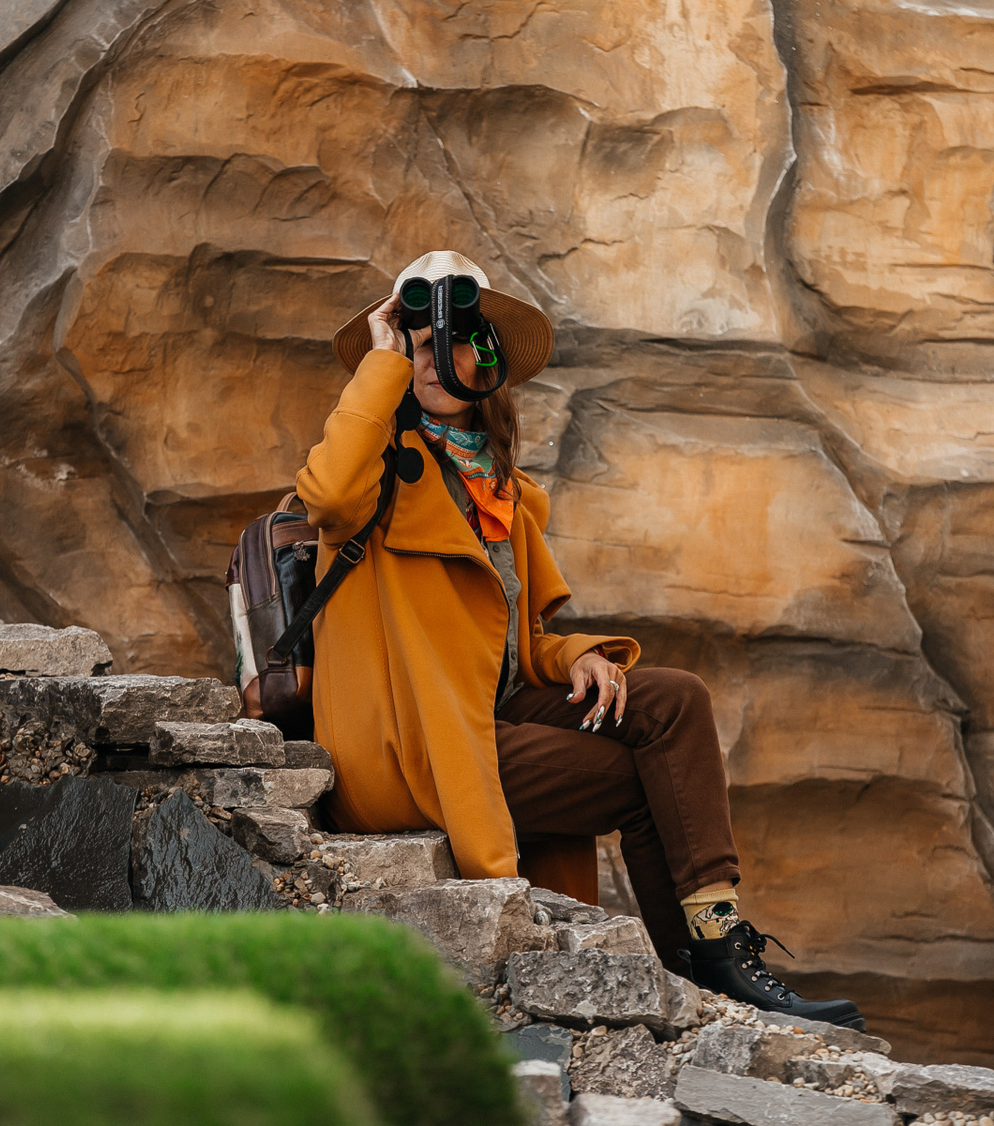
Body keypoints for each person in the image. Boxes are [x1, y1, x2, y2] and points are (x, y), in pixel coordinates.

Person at [296, 250, 864, 1030]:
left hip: (484, 719)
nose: (436, 361)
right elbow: (325, 495)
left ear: (487, 358)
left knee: (673, 701)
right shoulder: (375, 475)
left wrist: (575, 656)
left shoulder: (500, 490)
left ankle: (716, 946)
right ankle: (704, 978)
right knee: (642, 781)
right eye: (419, 345)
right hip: (412, 743)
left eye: (455, 342)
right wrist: (383, 360)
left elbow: (515, 640)